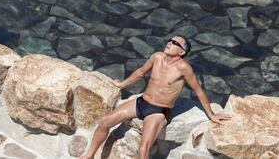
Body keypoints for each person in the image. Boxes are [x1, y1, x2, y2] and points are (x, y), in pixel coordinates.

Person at [79, 35, 232, 159]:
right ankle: (89, 156)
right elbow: (140, 72)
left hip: (158, 111)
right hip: (141, 102)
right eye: (170, 40)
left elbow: (198, 91)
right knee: (105, 121)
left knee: (144, 150)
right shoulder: (156, 57)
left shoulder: (184, 68)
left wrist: (211, 114)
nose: (169, 43)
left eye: (175, 43)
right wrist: (122, 85)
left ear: (181, 52)